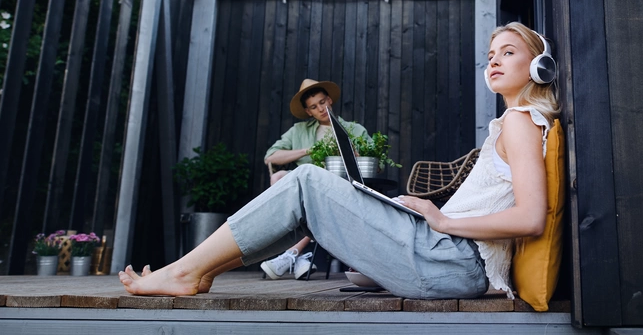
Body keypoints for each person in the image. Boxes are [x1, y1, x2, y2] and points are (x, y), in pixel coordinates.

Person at [119, 22, 560, 299]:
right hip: (445, 257)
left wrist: (441, 221)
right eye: (490, 55)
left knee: (306, 181)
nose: (494, 61)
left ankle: (183, 271)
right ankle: (199, 273)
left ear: (538, 66)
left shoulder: (521, 121)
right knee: (314, 196)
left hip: (453, 260)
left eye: (508, 52)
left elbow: (530, 218)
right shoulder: (515, 122)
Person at [260, 79, 369, 280]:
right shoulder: (299, 131)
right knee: (279, 176)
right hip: (302, 189)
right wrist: (308, 150)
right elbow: (271, 157)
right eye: (313, 107)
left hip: (338, 189)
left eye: (322, 102)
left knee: (310, 199)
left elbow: (375, 163)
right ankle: (299, 256)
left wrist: (353, 154)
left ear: (329, 100)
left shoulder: (354, 130)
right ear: (308, 112)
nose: (321, 108)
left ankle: (292, 253)